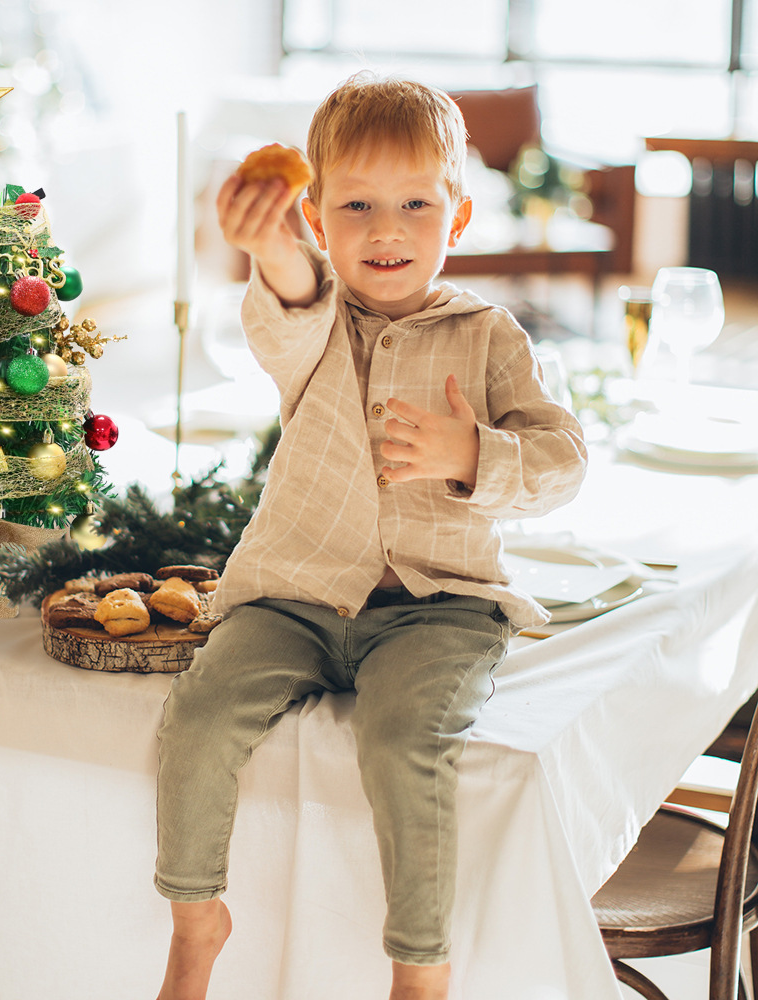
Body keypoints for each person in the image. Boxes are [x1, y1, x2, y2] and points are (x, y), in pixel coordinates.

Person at [152, 74, 587, 1000]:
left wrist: (474, 450)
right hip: (296, 594)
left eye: (413, 205)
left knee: (403, 741)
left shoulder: (490, 336)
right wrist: (271, 243)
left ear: (457, 218)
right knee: (197, 713)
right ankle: (196, 924)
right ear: (319, 217)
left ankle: (420, 970)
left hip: (439, 608)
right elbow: (291, 299)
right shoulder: (315, 327)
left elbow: (563, 461)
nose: (385, 230)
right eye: (356, 205)